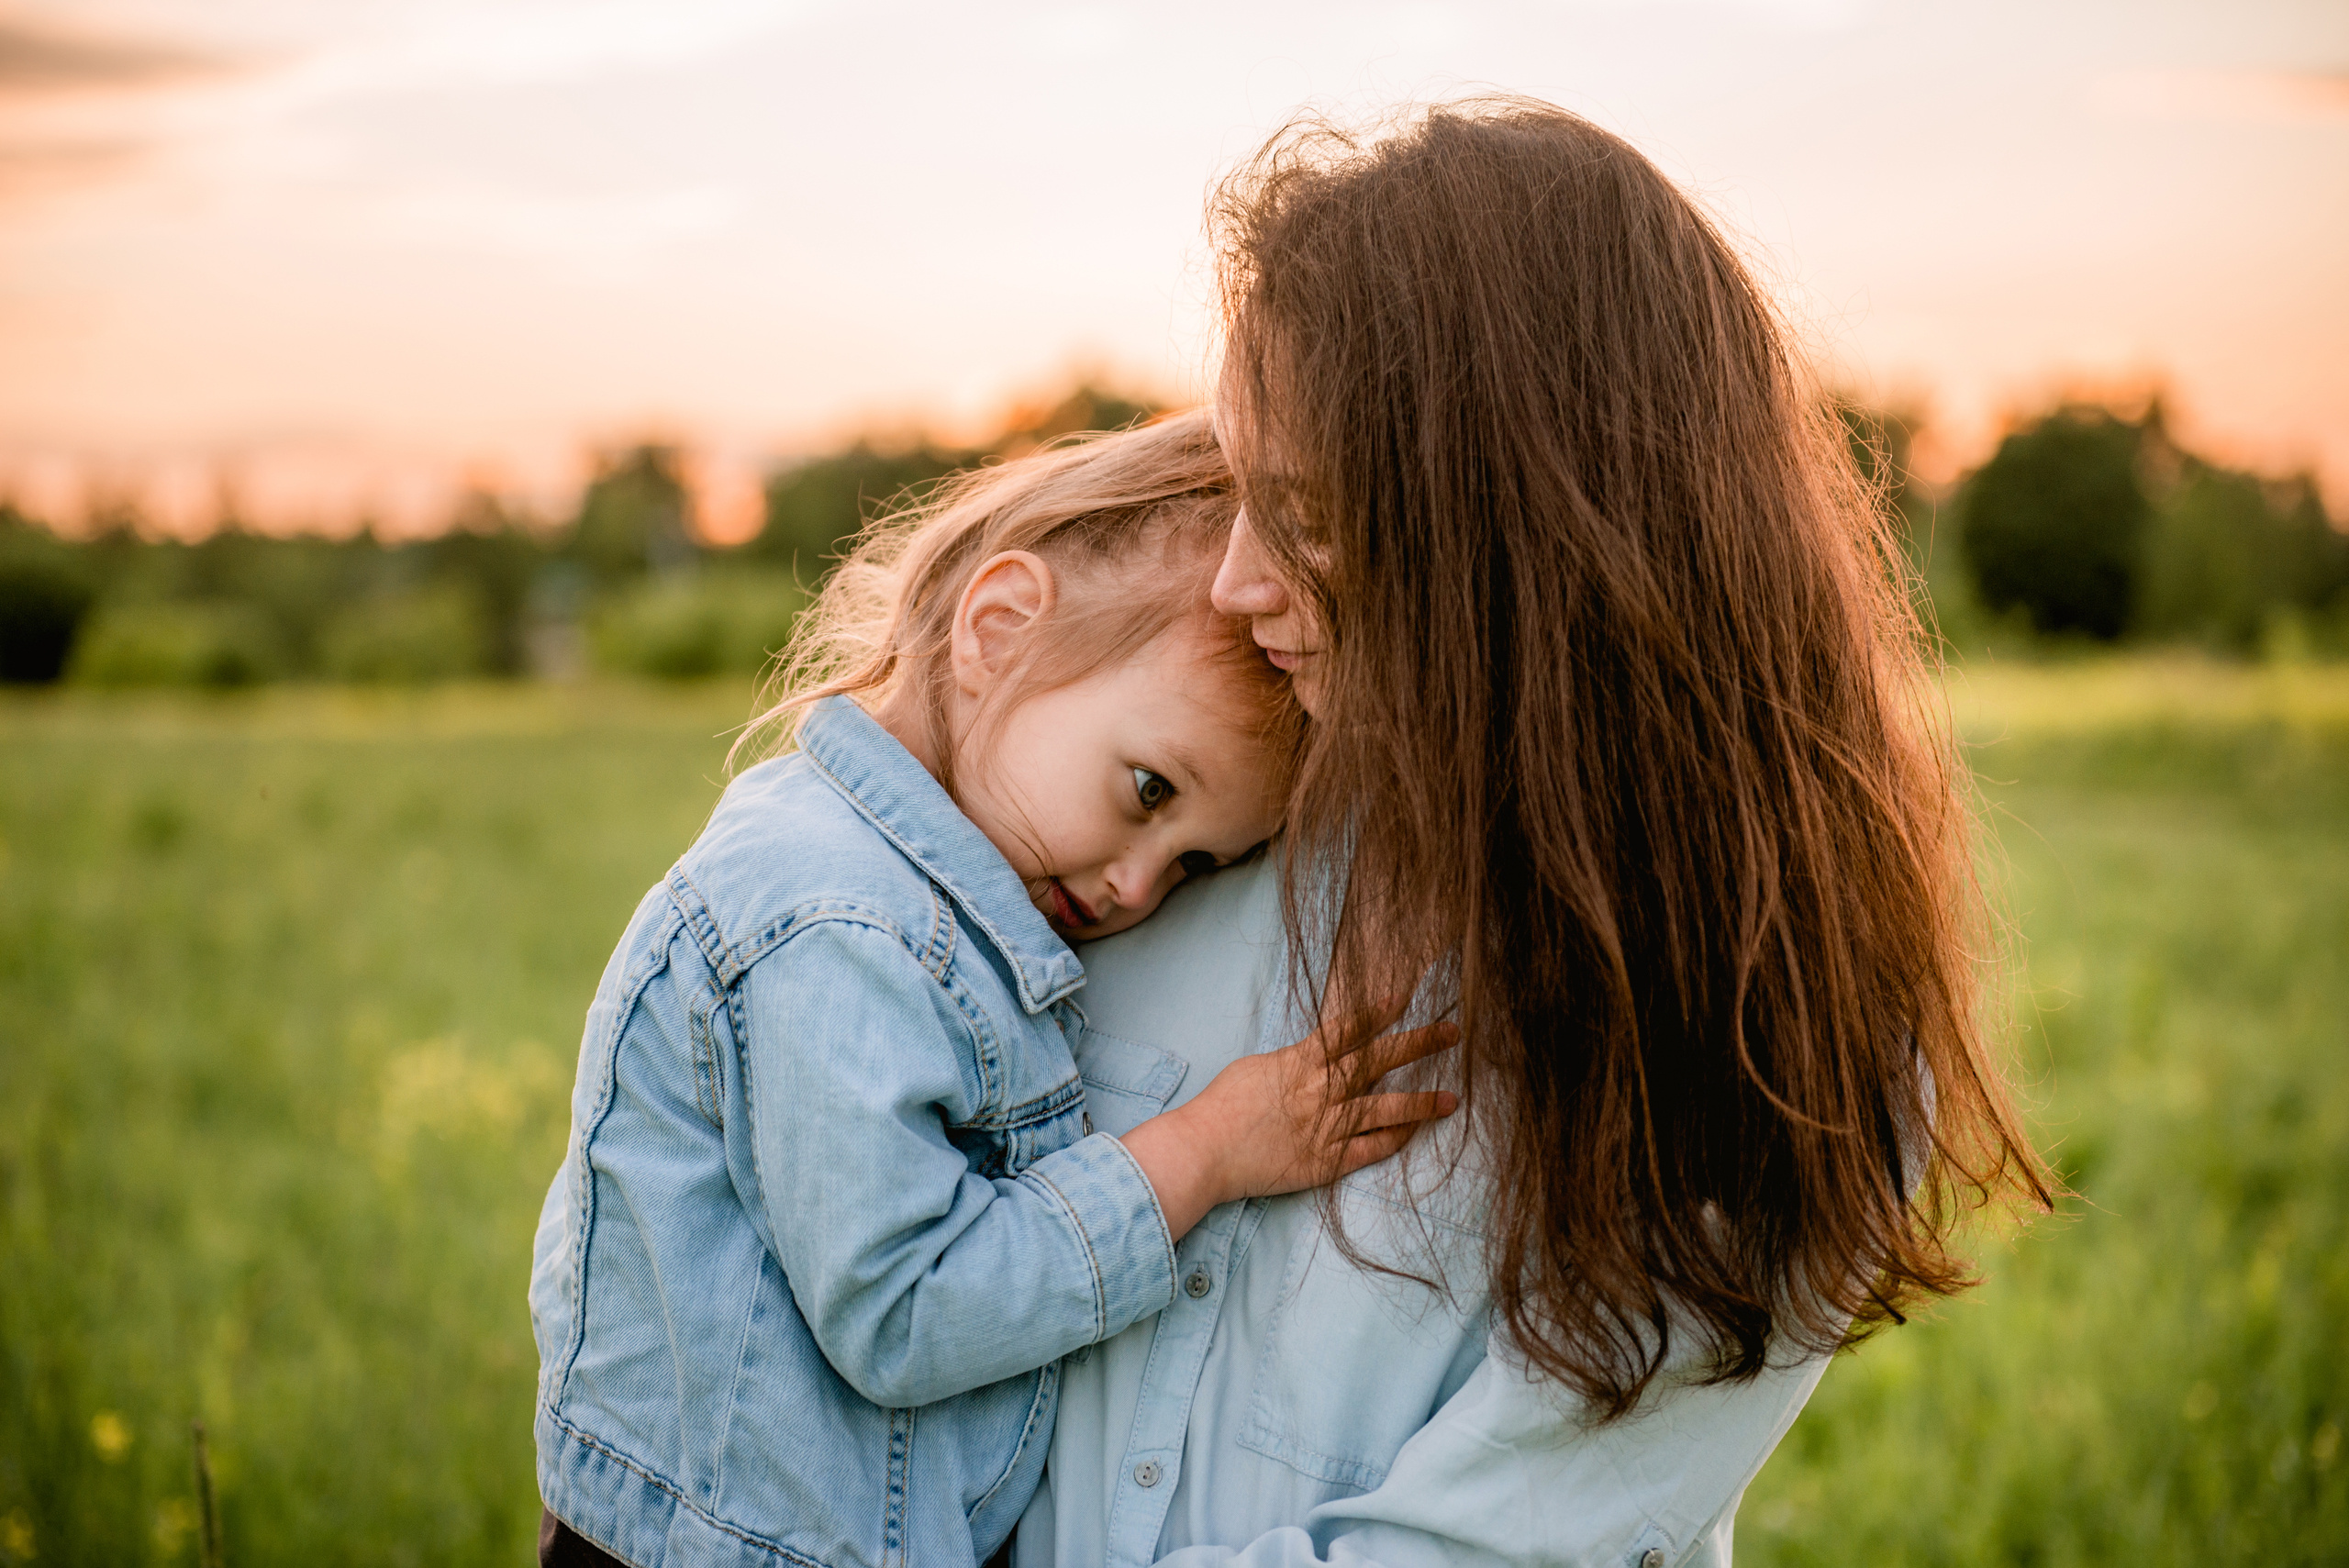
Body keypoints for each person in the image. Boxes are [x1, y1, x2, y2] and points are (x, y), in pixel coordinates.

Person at [1017, 99, 2048, 1567]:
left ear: (1509, 550)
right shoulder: (1175, 837)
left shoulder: (1773, 1040)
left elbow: (1463, 1552)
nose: (1233, 586)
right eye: (1239, 494)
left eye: (1301, 516)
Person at [527, 412, 1456, 1568]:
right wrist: (1210, 1147)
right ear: (1000, 627)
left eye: (1195, 864)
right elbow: (905, 1308)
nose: (1134, 883)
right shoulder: (837, 922)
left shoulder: (925, 899)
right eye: (1149, 789)